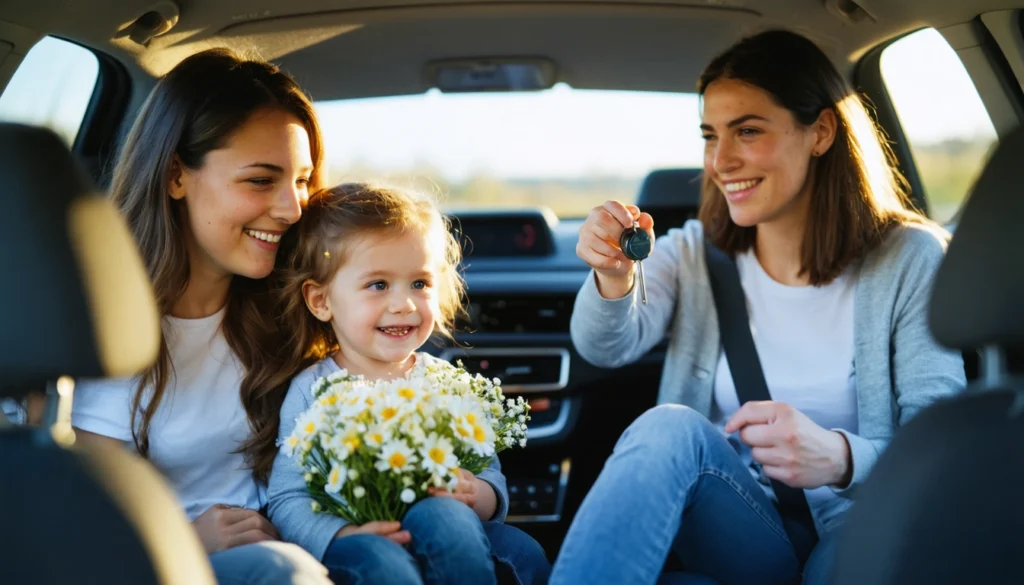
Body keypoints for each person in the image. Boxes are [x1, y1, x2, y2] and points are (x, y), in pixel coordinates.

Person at [549, 29, 966, 585]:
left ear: (819, 132)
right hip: (737, 531)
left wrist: (839, 457)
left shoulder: (910, 258)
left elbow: (940, 448)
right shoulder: (694, 254)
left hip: (862, 522)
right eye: (709, 135)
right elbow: (604, 344)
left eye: (747, 131)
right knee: (669, 428)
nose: (721, 160)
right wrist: (613, 273)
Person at [71, 48, 334, 585]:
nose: (292, 208)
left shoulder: (296, 310)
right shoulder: (108, 330)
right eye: (261, 180)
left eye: (302, 180)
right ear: (175, 176)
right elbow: (89, 531)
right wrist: (188, 540)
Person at [268, 182, 552, 585]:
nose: (403, 303)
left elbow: (488, 470)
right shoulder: (313, 390)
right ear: (321, 301)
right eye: (378, 285)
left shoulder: (445, 382)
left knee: (522, 550)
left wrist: (479, 495)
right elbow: (288, 497)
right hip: (360, 545)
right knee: (384, 563)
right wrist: (340, 534)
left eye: (419, 283)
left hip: (454, 537)